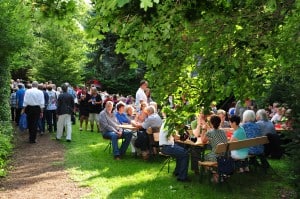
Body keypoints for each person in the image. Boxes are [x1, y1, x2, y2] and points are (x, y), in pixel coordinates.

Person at [200, 115, 227, 182]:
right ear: (220, 123)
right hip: (225, 155)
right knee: (209, 154)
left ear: (211, 123)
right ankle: (217, 173)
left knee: (203, 157)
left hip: (216, 157)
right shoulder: (223, 131)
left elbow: (203, 140)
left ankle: (214, 174)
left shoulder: (210, 132)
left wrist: (203, 129)